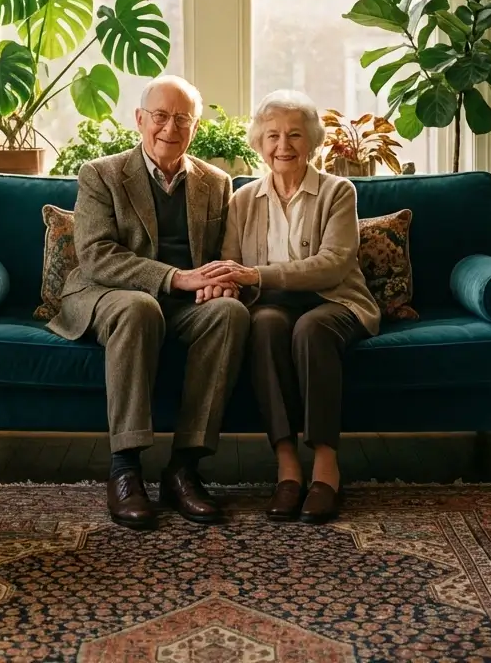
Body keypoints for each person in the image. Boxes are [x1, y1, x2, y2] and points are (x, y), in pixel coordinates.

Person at [53, 76, 250, 531]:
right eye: (160, 116)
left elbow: (224, 253)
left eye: (182, 119)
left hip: (183, 304)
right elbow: (97, 255)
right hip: (108, 294)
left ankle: (184, 468)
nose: (170, 128)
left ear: (195, 127)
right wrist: (175, 278)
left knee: (230, 314)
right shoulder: (101, 173)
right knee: (139, 308)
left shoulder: (217, 182)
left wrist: (221, 284)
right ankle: (125, 469)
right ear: (140, 119)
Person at [206, 90, 380, 524]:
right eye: (273, 135)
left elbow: (333, 264)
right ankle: (286, 465)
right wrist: (222, 285)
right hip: (272, 305)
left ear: (313, 141)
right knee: (263, 325)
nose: (283, 145)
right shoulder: (243, 199)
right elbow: (231, 263)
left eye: (295, 134)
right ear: (259, 143)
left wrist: (256, 275)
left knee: (312, 329)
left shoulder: (337, 191)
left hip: (335, 300)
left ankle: (325, 466)